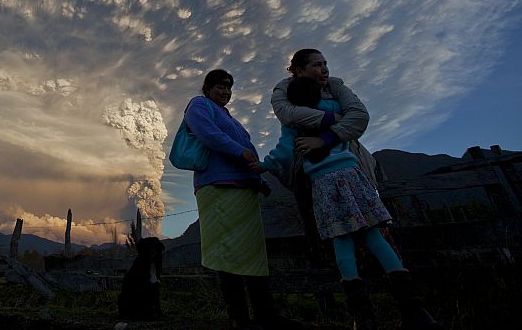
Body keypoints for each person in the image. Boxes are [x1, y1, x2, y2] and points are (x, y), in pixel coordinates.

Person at [259, 49, 440, 329]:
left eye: (325, 63)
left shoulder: (302, 118)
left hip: (324, 183)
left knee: (340, 241)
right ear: (298, 70)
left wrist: (263, 166)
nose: (324, 69)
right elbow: (345, 118)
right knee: (374, 235)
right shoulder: (324, 106)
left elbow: (283, 151)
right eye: (317, 65)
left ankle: (364, 317)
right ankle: (414, 310)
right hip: (352, 175)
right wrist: (337, 121)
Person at [185, 69, 303, 330]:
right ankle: (239, 318)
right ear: (207, 87)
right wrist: (240, 151)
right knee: (228, 252)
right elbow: (208, 135)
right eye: (219, 86)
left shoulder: (232, 119)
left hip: (244, 190)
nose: (225, 91)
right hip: (217, 186)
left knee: (253, 253)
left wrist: (258, 181)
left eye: (229, 87)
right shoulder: (199, 105)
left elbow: (244, 156)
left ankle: (265, 314)